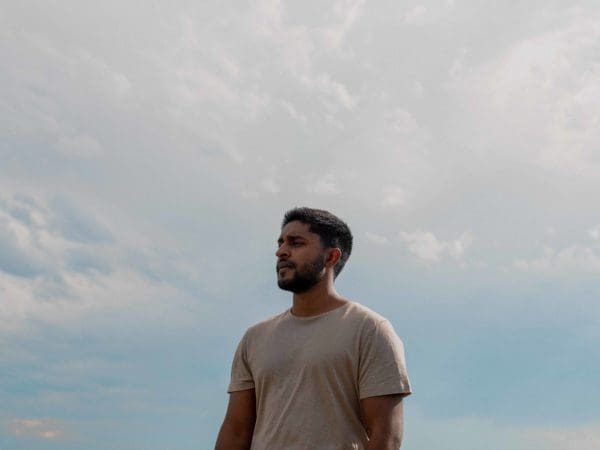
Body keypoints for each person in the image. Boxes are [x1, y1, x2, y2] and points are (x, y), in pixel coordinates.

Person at [215, 207, 411, 449]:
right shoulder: (255, 337)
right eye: (281, 243)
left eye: (296, 243)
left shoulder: (370, 329)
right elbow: (236, 430)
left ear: (331, 257)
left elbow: (386, 435)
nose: (281, 251)